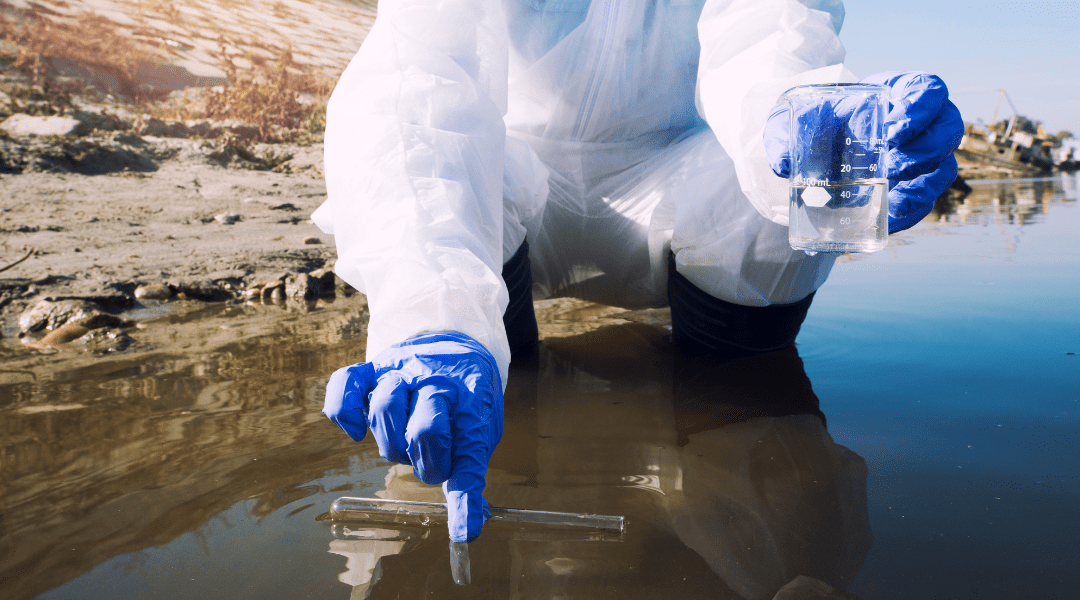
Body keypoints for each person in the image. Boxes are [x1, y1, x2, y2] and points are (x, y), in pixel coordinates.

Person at [313, 0, 963, 542]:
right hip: (509, 176)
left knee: (778, 205)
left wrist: (815, 131)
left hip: (679, 171)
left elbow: (770, 39)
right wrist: (430, 315)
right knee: (433, 195)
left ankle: (741, 458)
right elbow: (421, 79)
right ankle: (468, 358)